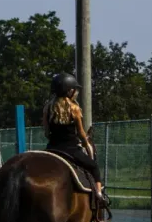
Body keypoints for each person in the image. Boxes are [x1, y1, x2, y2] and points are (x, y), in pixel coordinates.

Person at [42, 72, 109, 206]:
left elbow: (46, 132)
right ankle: (99, 195)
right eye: (74, 89)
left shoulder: (48, 108)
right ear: (69, 91)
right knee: (94, 167)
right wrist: (86, 144)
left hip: (52, 149)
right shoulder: (74, 109)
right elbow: (81, 133)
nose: (76, 92)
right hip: (71, 149)